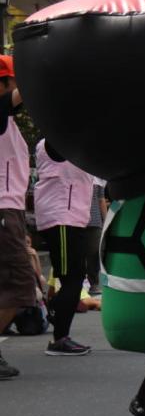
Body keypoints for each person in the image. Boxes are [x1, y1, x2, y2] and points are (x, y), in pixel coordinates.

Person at [33, 138, 94, 356]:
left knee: (73, 278)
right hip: (61, 217)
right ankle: (59, 339)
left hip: (71, 217)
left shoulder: (73, 143)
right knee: (72, 279)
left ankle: (52, 311)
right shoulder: (55, 140)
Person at [0, 58, 36, 378]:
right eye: (10, 81)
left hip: (8, 210)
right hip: (2, 210)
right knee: (20, 284)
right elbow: (23, 92)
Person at [84, 177, 107, 296]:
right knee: (81, 253)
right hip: (76, 219)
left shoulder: (99, 178)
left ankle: (93, 284)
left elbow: (101, 199)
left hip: (94, 220)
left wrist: (106, 221)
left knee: (94, 253)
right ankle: (82, 284)